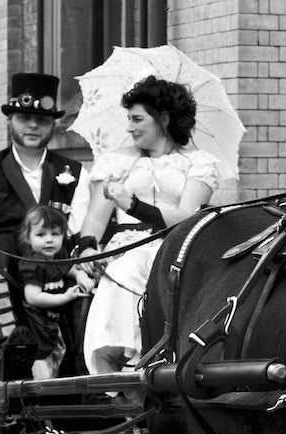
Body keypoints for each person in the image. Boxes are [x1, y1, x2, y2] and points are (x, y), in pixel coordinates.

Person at [76, 75, 222, 376]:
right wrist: (86, 249)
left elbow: (187, 215)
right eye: (128, 119)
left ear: (164, 119)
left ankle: (158, 358)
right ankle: (118, 367)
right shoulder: (117, 163)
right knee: (122, 269)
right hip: (126, 249)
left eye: (137, 119)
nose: (129, 127)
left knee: (136, 268)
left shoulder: (198, 163)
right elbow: (95, 218)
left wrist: (133, 206)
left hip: (178, 247)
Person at [0, 72, 91, 375]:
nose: (33, 126)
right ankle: (14, 347)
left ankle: (80, 367)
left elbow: (78, 232)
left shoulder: (74, 174)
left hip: (56, 271)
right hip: (3, 272)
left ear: (54, 124)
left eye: (42, 120)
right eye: (24, 117)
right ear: (10, 119)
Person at [17, 206, 94, 379]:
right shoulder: (32, 264)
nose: (49, 240)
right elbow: (33, 297)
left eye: (55, 234)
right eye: (41, 235)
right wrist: (65, 297)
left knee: (61, 357)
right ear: (28, 238)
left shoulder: (55, 258)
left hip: (55, 322)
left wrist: (80, 275)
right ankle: (41, 397)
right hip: (39, 324)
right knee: (43, 364)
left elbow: (69, 268)